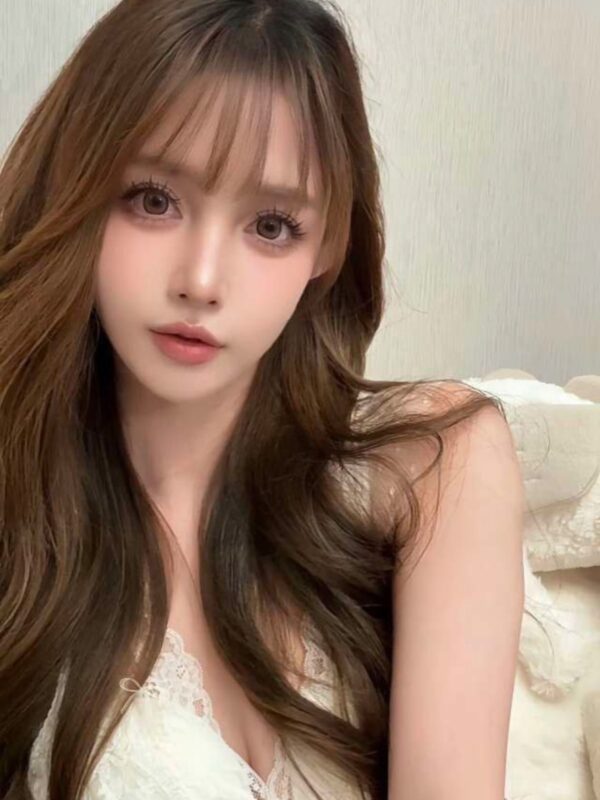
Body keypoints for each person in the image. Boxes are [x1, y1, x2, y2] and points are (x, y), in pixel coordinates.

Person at [0, 1, 525, 798]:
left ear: (329, 246)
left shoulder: (435, 463)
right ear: (75, 188)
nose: (202, 281)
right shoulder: (26, 525)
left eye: (272, 225)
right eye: (153, 199)